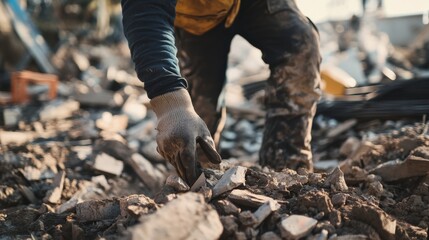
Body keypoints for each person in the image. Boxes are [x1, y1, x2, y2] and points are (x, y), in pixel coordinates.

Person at [121, 0, 321, 185]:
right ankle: (200, 184)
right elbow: (146, 12)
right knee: (193, 123)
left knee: (300, 45)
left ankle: (288, 176)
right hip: (197, 16)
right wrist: (172, 104)